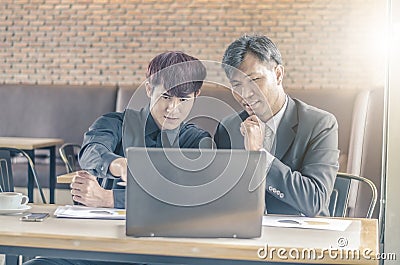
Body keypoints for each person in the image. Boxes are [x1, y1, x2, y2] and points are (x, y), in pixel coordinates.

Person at [23, 52, 211, 265]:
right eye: (165, 96)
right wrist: (118, 164)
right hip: (100, 247)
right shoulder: (114, 123)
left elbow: (187, 200)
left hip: (164, 252)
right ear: (149, 89)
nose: (172, 108)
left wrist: (110, 200)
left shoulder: (197, 141)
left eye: (183, 99)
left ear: (196, 95)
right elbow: (92, 150)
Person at [214, 34, 339, 217]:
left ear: (278, 74)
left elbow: (314, 201)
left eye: (254, 80)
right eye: (236, 85)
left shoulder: (320, 124)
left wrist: (258, 156)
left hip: (301, 238)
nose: (245, 94)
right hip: (241, 236)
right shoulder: (228, 128)